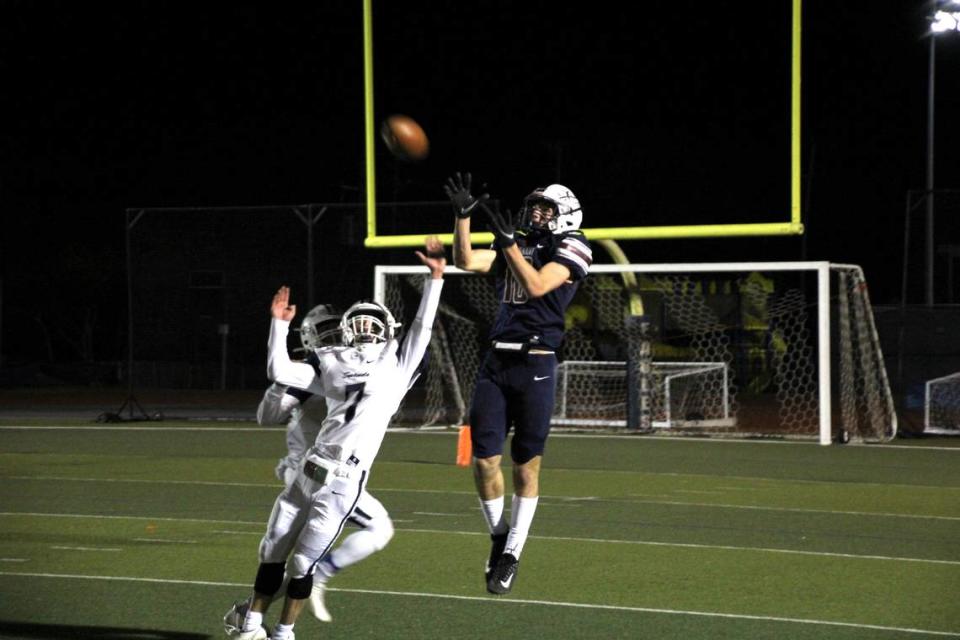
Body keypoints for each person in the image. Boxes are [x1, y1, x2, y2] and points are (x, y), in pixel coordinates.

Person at [230, 237, 445, 640]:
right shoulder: (331, 362)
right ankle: (250, 625)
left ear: (386, 330)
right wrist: (279, 324)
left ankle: (283, 631)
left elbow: (423, 326)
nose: (365, 329)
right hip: (308, 469)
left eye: (372, 323)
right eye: (358, 322)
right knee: (272, 548)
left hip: (345, 481)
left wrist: (435, 279)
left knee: (302, 565)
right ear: (347, 330)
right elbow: (279, 370)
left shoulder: (397, 366)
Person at [445, 172, 592, 595]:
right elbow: (465, 261)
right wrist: (463, 219)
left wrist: (509, 243)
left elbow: (536, 285)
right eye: (536, 206)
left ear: (566, 215)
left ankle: (513, 552)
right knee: (483, 459)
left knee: (525, 466)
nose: (538, 213)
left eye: (547, 208)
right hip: (497, 358)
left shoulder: (574, 244)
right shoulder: (517, 240)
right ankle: (498, 538)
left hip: (537, 362)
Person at [224, 303, 398, 634]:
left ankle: (251, 615)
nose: (332, 334)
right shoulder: (319, 368)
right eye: (324, 330)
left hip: (332, 472)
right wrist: (286, 385)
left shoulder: (348, 363)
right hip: (308, 471)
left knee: (300, 559)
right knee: (286, 555)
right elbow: (267, 417)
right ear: (308, 337)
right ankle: (268, 612)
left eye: (335, 326)